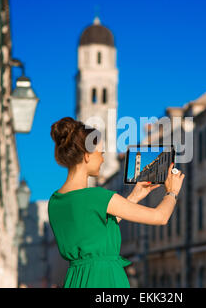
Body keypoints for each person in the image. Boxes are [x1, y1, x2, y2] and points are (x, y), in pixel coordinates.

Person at [47, 117, 185, 288]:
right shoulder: (97, 196)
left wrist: (133, 198)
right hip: (104, 279)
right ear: (87, 155)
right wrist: (172, 191)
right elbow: (160, 217)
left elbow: (96, 231)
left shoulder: (55, 201)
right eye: (101, 153)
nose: (103, 159)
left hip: (76, 279)